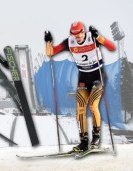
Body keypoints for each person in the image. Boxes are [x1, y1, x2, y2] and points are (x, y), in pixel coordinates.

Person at [44, 21, 115, 152]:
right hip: (83, 78)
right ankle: (83, 141)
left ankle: (96, 137)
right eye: (74, 35)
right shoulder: (69, 42)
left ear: (84, 31)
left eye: (79, 34)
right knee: (80, 108)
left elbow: (111, 47)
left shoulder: (92, 38)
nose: (78, 37)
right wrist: (48, 42)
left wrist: (98, 36)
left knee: (93, 105)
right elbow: (50, 52)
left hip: (97, 76)